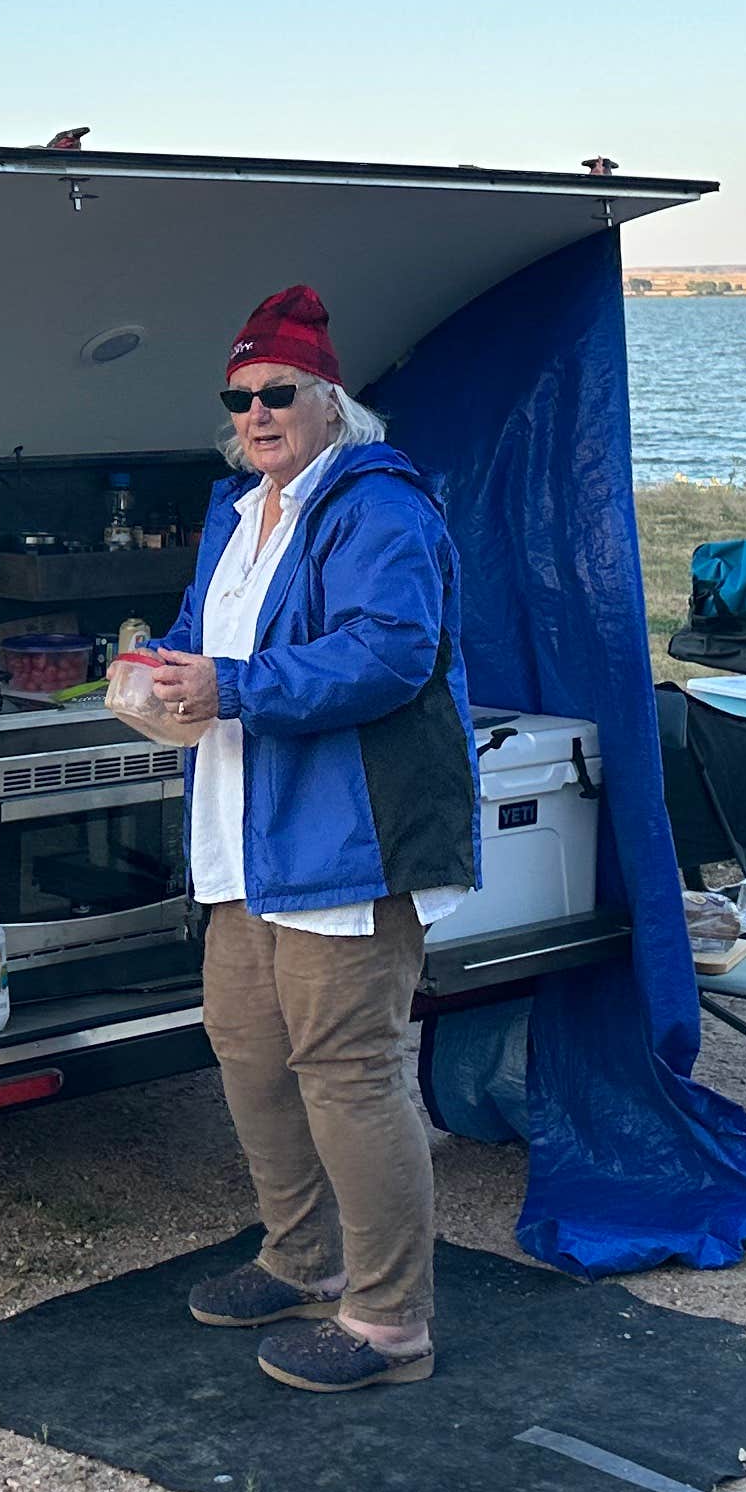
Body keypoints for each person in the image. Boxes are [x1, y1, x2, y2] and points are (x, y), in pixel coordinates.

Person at [143, 285, 478, 1393]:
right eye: (239, 399)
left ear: (332, 402)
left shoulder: (380, 506)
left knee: (350, 1072)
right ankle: (300, 1258)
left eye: (278, 393)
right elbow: (205, 638)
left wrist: (231, 686)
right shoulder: (239, 513)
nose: (257, 414)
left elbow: (390, 652)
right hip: (246, 838)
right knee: (246, 1049)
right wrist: (156, 674)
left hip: (351, 838)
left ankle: (390, 1324)